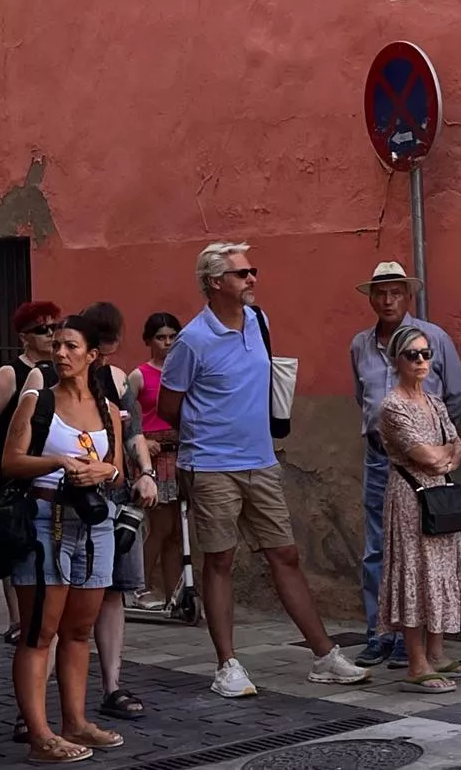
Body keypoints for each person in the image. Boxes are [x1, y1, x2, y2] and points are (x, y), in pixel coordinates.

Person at [156, 241, 369, 697]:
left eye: (253, 271)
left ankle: (324, 655)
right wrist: (210, 432)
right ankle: (226, 665)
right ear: (215, 283)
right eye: (242, 273)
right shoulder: (192, 340)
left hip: (262, 461)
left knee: (285, 555)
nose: (252, 279)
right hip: (212, 465)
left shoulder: (258, 320)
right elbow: (168, 405)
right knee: (219, 562)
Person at [3, 315, 126, 763]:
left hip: (94, 524)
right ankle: (40, 734)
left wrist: (105, 471)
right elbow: (11, 461)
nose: (60, 354)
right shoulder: (38, 400)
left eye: (71, 347)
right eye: (56, 345)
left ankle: (75, 721)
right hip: (44, 518)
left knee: (78, 630)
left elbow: (119, 472)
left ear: (93, 355)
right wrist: (56, 462)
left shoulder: (107, 407)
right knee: (40, 632)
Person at [348, 262, 461, 670]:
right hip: (379, 456)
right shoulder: (360, 345)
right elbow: (362, 398)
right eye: (380, 293)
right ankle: (379, 633)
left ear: (407, 296)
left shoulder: (432, 338)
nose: (387, 300)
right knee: (376, 548)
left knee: (423, 550)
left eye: (395, 292)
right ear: (370, 297)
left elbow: (456, 394)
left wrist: (432, 440)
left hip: (425, 464)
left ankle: (411, 643)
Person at [376, 325, 461, 693]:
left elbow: (456, 448)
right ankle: (416, 663)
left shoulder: (433, 402)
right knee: (415, 572)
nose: (421, 361)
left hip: (438, 493)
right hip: (410, 496)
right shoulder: (392, 406)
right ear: (397, 361)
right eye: (412, 355)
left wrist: (449, 454)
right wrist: (450, 454)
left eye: (426, 354)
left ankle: (437, 652)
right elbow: (431, 457)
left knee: (440, 569)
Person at [77, 302, 159, 724]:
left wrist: (145, 473)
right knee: (68, 598)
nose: (105, 356)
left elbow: (134, 433)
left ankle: (112, 685)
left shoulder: (116, 380)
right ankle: (47, 700)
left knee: (113, 593)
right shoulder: (58, 381)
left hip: (116, 495)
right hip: (75, 500)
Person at [0, 300, 60, 647]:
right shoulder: (11, 373)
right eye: (43, 329)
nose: (51, 335)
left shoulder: (58, 371)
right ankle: (17, 619)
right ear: (25, 336)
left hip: (44, 467)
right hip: (13, 467)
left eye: (55, 327)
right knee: (13, 538)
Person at [125, 313, 184, 609]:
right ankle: (139, 588)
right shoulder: (138, 375)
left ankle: (175, 591)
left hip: (180, 453)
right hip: (153, 457)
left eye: (173, 336)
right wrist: (142, 442)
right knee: (159, 527)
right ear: (149, 340)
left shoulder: (183, 372)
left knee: (176, 530)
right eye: (161, 337)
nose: (167, 343)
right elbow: (126, 419)